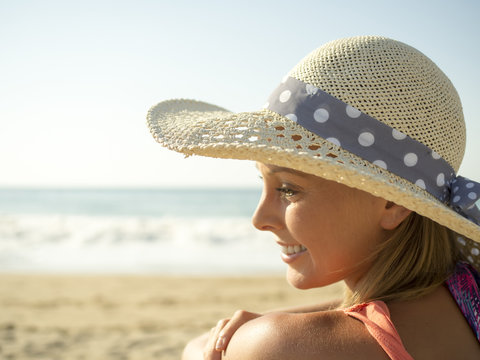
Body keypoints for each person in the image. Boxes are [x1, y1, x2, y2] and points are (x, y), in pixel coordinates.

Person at [147, 36, 480, 359]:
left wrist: (256, 333)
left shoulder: (275, 346)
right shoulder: (464, 297)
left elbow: (198, 348)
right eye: (263, 183)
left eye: (288, 189)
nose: (259, 218)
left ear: (393, 204)